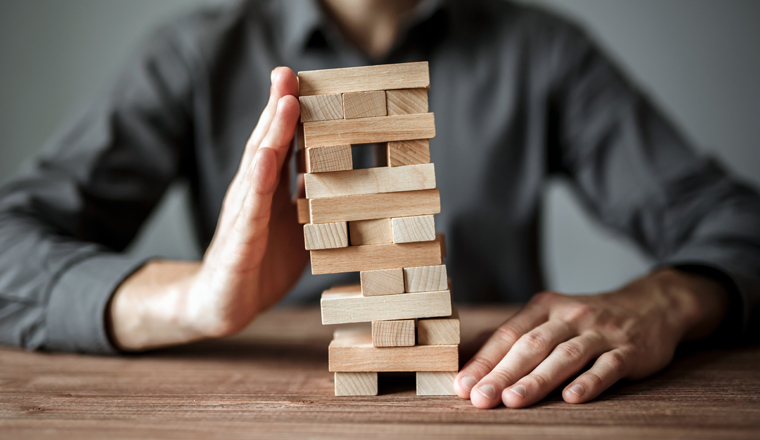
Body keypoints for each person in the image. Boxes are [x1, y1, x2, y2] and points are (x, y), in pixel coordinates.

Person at [0, 0, 758, 410]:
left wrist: (667, 297)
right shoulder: (194, 54)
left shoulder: (545, 50)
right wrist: (191, 300)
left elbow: (735, 221)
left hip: (489, 402)